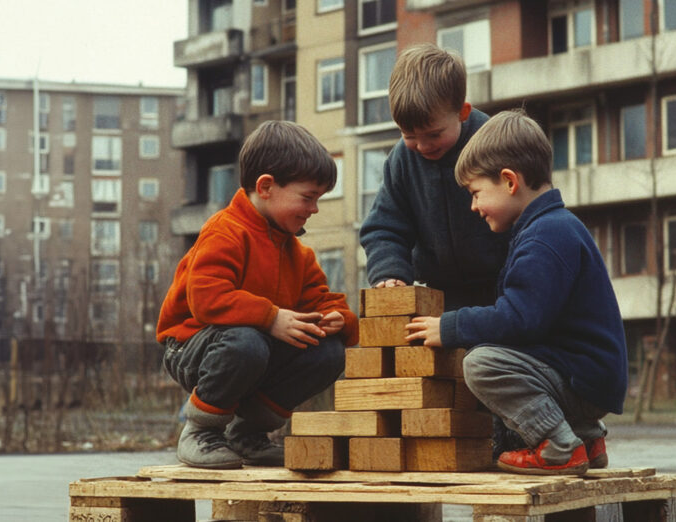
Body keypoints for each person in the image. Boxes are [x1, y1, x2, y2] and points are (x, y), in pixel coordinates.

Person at [404, 110, 628, 475]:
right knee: (498, 351)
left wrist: (451, 326)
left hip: (581, 378)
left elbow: (519, 319)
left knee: (481, 364)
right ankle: (586, 438)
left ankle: (559, 446)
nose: (474, 206)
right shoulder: (551, 227)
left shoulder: (544, 236)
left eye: (476, 193)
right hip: (586, 375)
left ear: (509, 181)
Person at [157, 121, 359, 469]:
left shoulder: (297, 253)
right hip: (191, 346)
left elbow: (322, 299)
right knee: (246, 341)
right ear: (266, 186)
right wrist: (272, 317)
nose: (314, 209)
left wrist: (339, 320)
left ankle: (247, 433)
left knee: (327, 351)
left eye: (318, 199)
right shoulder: (225, 232)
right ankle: (200, 431)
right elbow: (206, 298)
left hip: (252, 348)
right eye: (308, 197)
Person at [359, 43, 509, 313]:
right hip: (440, 297)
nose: (423, 145)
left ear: (462, 113)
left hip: (503, 288)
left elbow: (527, 214)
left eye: (434, 134)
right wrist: (389, 272)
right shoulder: (401, 161)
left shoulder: (496, 144)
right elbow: (384, 227)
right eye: (409, 136)